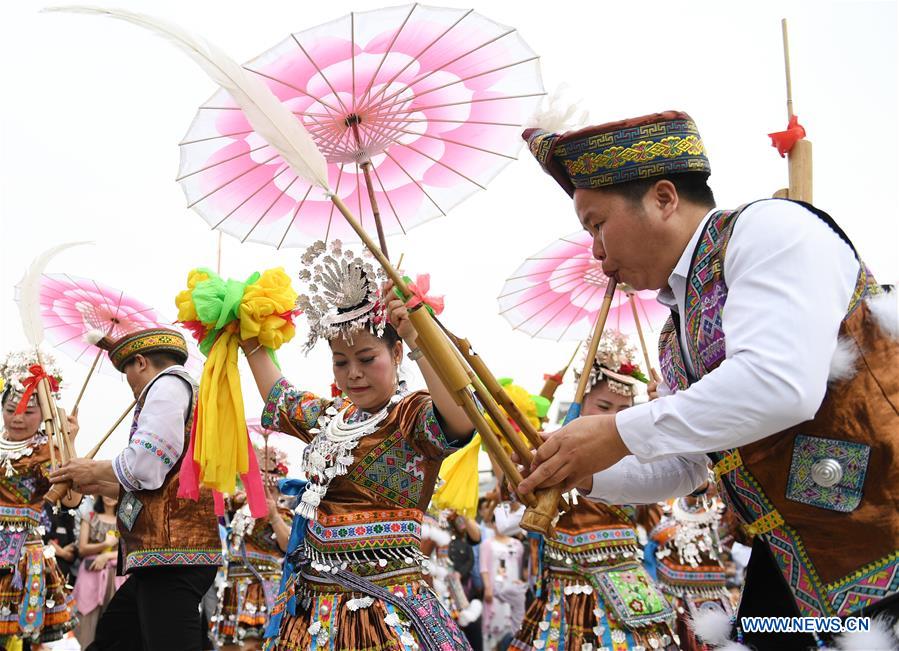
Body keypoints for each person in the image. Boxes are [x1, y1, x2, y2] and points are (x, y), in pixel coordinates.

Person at [517, 111, 899, 648]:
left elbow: (779, 384)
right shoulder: (676, 336)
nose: (597, 252)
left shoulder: (770, 230)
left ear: (664, 198)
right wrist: (578, 470)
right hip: (803, 568)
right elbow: (689, 465)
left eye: (597, 224)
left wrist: (615, 432)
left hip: (888, 533)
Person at [240, 240, 475, 650]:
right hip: (313, 607)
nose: (354, 374)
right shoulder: (332, 417)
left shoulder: (410, 416)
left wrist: (420, 337)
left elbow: (461, 417)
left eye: (367, 359)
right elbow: (280, 396)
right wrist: (248, 339)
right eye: (341, 361)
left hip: (385, 608)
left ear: (396, 352)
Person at [49, 327, 222, 650]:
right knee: (114, 639)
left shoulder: (168, 385)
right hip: (164, 556)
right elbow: (157, 486)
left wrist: (94, 467)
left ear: (140, 362)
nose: (131, 387)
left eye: (127, 372)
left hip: (172, 556)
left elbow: (145, 463)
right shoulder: (183, 390)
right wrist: (93, 482)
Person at [511, 331, 676, 651]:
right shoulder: (552, 449)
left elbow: (676, 492)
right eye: (603, 405)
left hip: (630, 591)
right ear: (581, 401)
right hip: (565, 594)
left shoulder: (641, 453)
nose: (612, 416)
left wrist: (668, 423)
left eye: (623, 408)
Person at [0, 349, 79, 647]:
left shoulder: (49, 451)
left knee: (21, 636)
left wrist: (69, 441)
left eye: (28, 412)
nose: (17, 418)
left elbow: (71, 501)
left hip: (23, 557)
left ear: (43, 412)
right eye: (10, 410)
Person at [212, 443, 292, 650]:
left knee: (255, 644)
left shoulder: (285, 514)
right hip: (234, 585)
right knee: (228, 645)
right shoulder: (240, 506)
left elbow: (288, 546)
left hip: (263, 588)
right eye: (260, 487)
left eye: (271, 489)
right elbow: (217, 494)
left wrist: (273, 515)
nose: (266, 493)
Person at [73, 495, 127, 647]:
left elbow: (130, 549)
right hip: (91, 574)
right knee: (86, 620)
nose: (109, 497)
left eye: (113, 493)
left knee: (114, 621)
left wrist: (107, 556)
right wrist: (105, 544)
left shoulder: (125, 520)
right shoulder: (90, 515)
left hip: (116, 576)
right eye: (105, 492)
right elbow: (82, 549)